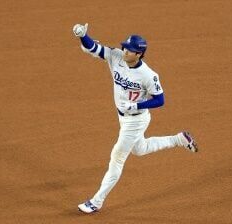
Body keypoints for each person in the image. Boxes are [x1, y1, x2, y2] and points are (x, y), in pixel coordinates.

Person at [72, 23, 198, 214]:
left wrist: (137, 105)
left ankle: (96, 201)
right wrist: (82, 35)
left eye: (129, 50)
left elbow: (160, 100)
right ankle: (178, 139)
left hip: (136, 120)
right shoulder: (116, 57)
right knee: (140, 149)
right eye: (124, 47)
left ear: (139, 54)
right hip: (123, 118)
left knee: (117, 157)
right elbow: (93, 48)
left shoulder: (148, 75)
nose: (124, 51)